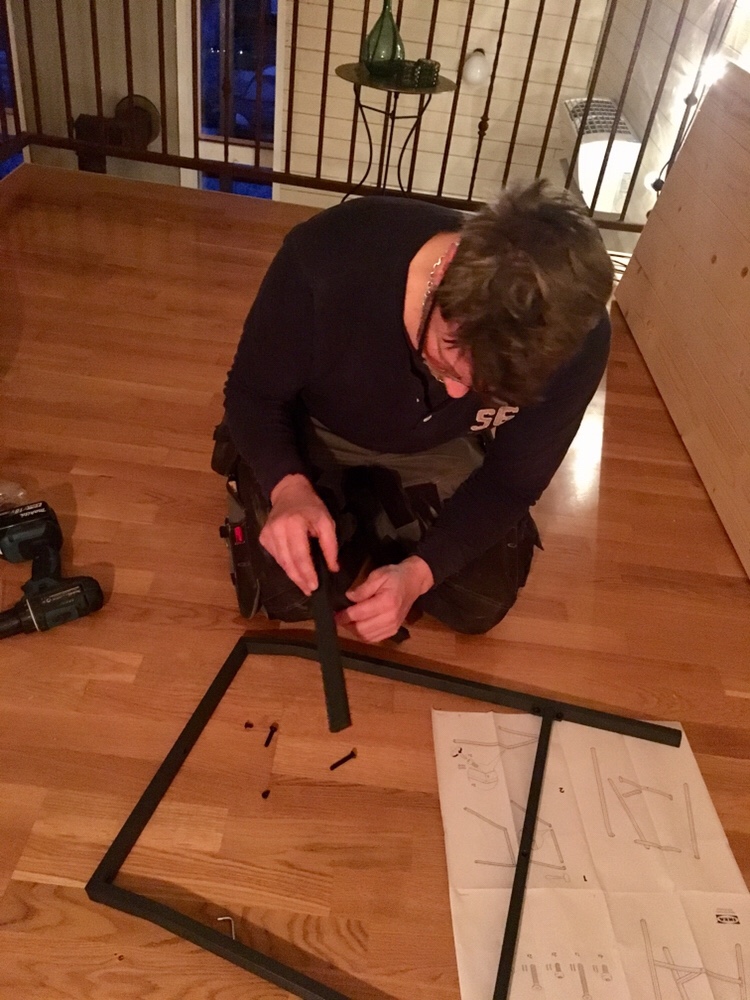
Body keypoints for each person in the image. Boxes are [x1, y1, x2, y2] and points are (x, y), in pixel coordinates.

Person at [218, 180, 614, 643]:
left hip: (440, 445)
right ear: (445, 269)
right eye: (446, 358)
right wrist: (287, 487)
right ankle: (348, 507)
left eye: (486, 389)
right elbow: (252, 394)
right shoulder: (330, 257)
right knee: (290, 591)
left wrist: (418, 574)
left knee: (479, 602)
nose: (455, 391)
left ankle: (369, 516)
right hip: (315, 424)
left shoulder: (578, 343)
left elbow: (513, 482)